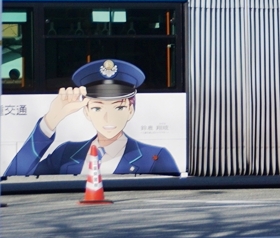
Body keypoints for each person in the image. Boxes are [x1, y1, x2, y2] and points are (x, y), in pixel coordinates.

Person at [4, 59, 179, 176]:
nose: (107, 117)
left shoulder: (155, 157)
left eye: (118, 107)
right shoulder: (66, 153)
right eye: (97, 108)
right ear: (86, 111)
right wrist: (51, 120)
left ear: (130, 110)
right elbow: (14, 178)